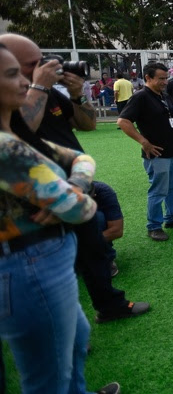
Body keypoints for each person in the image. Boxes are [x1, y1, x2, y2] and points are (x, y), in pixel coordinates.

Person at [2, 33, 149, 322]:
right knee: (53, 268)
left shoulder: (50, 93)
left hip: (74, 186)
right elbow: (20, 132)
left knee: (94, 253)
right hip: (36, 199)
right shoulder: (18, 100)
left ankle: (109, 305)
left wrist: (78, 95)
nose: (46, 66)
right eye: (33, 64)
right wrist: (38, 86)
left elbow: (88, 125)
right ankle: (65, 331)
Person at [0, 42, 120, 394]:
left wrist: (74, 185)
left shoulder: (13, 136)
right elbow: (80, 208)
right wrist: (77, 191)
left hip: (46, 258)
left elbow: (82, 156)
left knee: (75, 341)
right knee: (47, 377)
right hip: (29, 265)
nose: (28, 79)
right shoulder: (7, 148)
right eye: (15, 73)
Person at [118, 62, 173, 241]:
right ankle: (154, 226)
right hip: (156, 154)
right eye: (161, 78)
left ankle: (172, 217)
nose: (165, 82)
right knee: (159, 190)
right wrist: (144, 142)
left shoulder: (164, 96)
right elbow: (123, 121)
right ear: (148, 78)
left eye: (165, 78)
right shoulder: (141, 97)